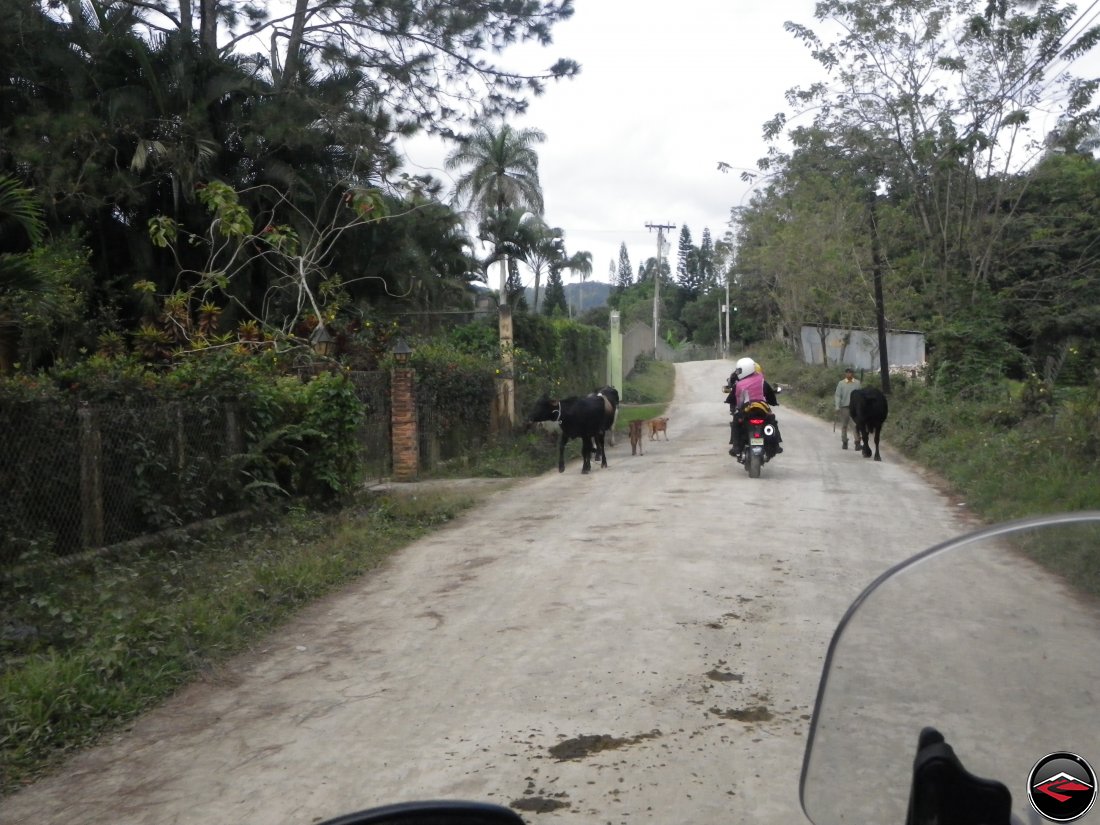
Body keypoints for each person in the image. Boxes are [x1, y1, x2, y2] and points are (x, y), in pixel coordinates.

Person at [725, 357, 782, 459]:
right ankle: (776, 445)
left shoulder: (739, 384)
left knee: (736, 423)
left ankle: (736, 447)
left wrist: (731, 403)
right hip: (762, 410)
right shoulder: (761, 380)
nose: (738, 372)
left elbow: (734, 398)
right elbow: (770, 395)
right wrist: (774, 403)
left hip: (746, 411)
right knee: (772, 421)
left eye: (739, 370)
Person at [834, 366, 862, 450]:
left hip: (854, 408)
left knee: (855, 425)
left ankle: (857, 443)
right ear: (845, 374)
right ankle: (844, 441)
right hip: (844, 407)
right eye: (847, 372)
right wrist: (837, 406)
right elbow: (838, 395)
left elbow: (860, 394)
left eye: (850, 372)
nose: (848, 374)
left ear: (852, 374)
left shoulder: (857, 383)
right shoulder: (841, 383)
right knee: (844, 425)